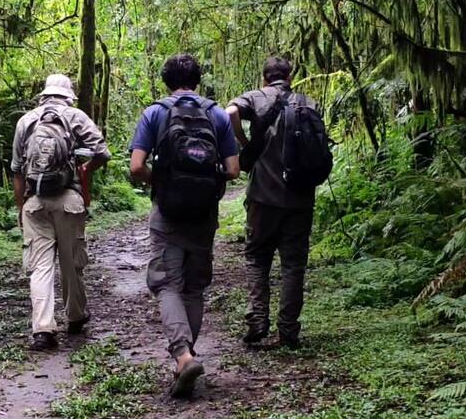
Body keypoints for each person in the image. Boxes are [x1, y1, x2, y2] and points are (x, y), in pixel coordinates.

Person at [130, 54, 240, 397]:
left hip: (167, 212)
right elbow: (234, 170)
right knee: (193, 288)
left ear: (166, 81)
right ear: (197, 79)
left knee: (165, 284)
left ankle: (182, 354)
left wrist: (159, 182)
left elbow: (136, 167)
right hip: (204, 214)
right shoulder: (217, 115)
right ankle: (187, 357)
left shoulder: (155, 113)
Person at [226, 57, 330, 349]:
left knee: (258, 258)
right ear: (289, 76)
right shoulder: (308, 103)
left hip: (263, 197)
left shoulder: (257, 97)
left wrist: (244, 143)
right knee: (293, 265)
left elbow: (229, 111)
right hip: (300, 197)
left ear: (264, 77)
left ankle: (258, 320)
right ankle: (289, 331)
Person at [12, 73, 111, 350]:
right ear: (68, 96)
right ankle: (76, 316)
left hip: (35, 202)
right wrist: (85, 169)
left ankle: (43, 330)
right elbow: (102, 152)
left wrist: (21, 209)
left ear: (43, 95)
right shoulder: (75, 116)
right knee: (71, 261)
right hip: (69, 200)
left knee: (40, 267)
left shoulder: (26, 121)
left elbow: (17, 170)